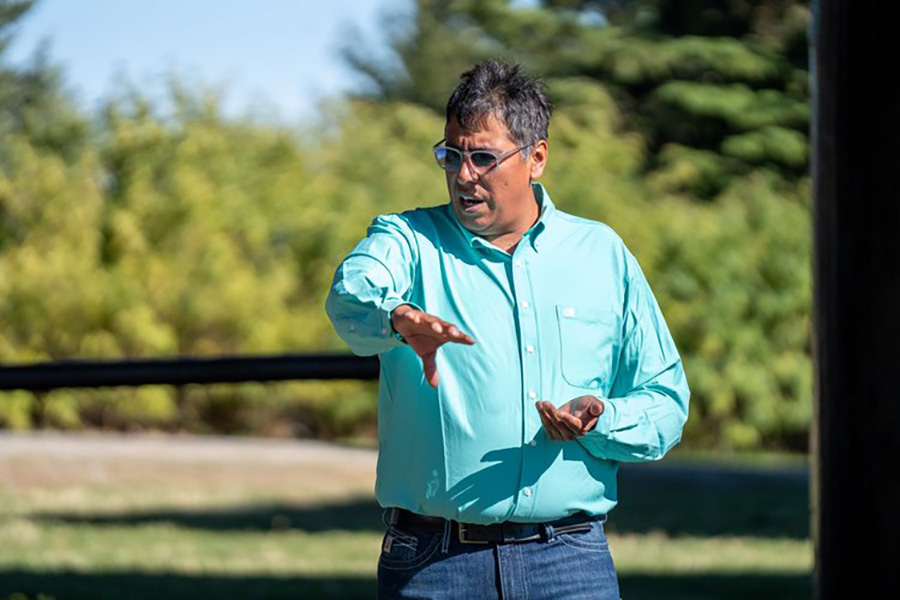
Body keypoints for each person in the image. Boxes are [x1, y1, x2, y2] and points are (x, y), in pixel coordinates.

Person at [325, 59, 690, 600]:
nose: (463, 174)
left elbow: (666, 403)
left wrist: (603, 419)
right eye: (451, 154)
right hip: (434, 562)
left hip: (570, 561)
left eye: (483, 157)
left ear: (536, 157)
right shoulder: (408, 239)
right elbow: (349, 294)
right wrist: (398, 318)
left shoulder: (601, 255)